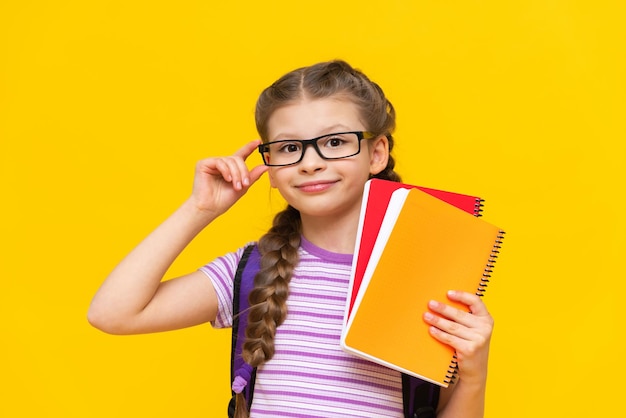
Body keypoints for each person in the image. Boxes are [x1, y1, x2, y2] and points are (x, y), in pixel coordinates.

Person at [88, 60, 494, 418]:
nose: (311, 163)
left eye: (335, 142)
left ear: (376, 153)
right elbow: (113, 313)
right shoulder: (252, 271)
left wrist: (474, 374)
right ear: (269, 161)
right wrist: (200, 209)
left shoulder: (425, 272)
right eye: (289, 148)